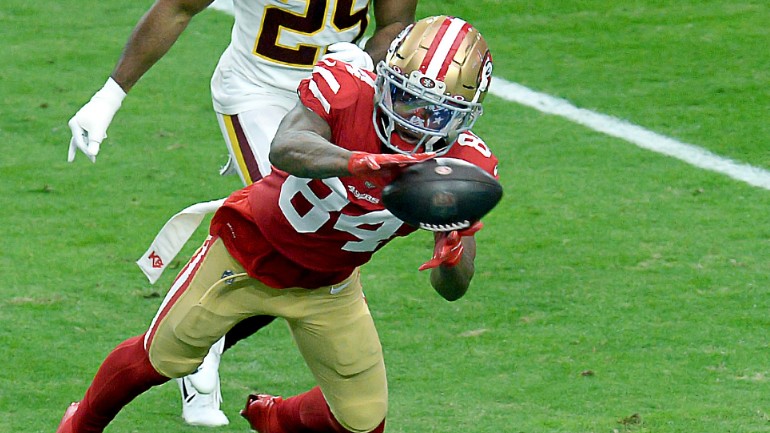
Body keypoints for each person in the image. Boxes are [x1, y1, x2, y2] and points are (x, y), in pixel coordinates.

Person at [56, 15, 496, 433]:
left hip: (330, 286)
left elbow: (453, 289)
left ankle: (278, 418)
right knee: (161, 358)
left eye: (433, 112)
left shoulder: (460, 168)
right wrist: (354, 161)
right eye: (405, 96)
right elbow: (285, 147)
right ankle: (81, 422)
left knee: (363, 419)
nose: (412, 118)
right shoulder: (346, 90)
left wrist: (452, 249)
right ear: (384, 78)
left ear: (463, 117)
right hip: (246, 255)